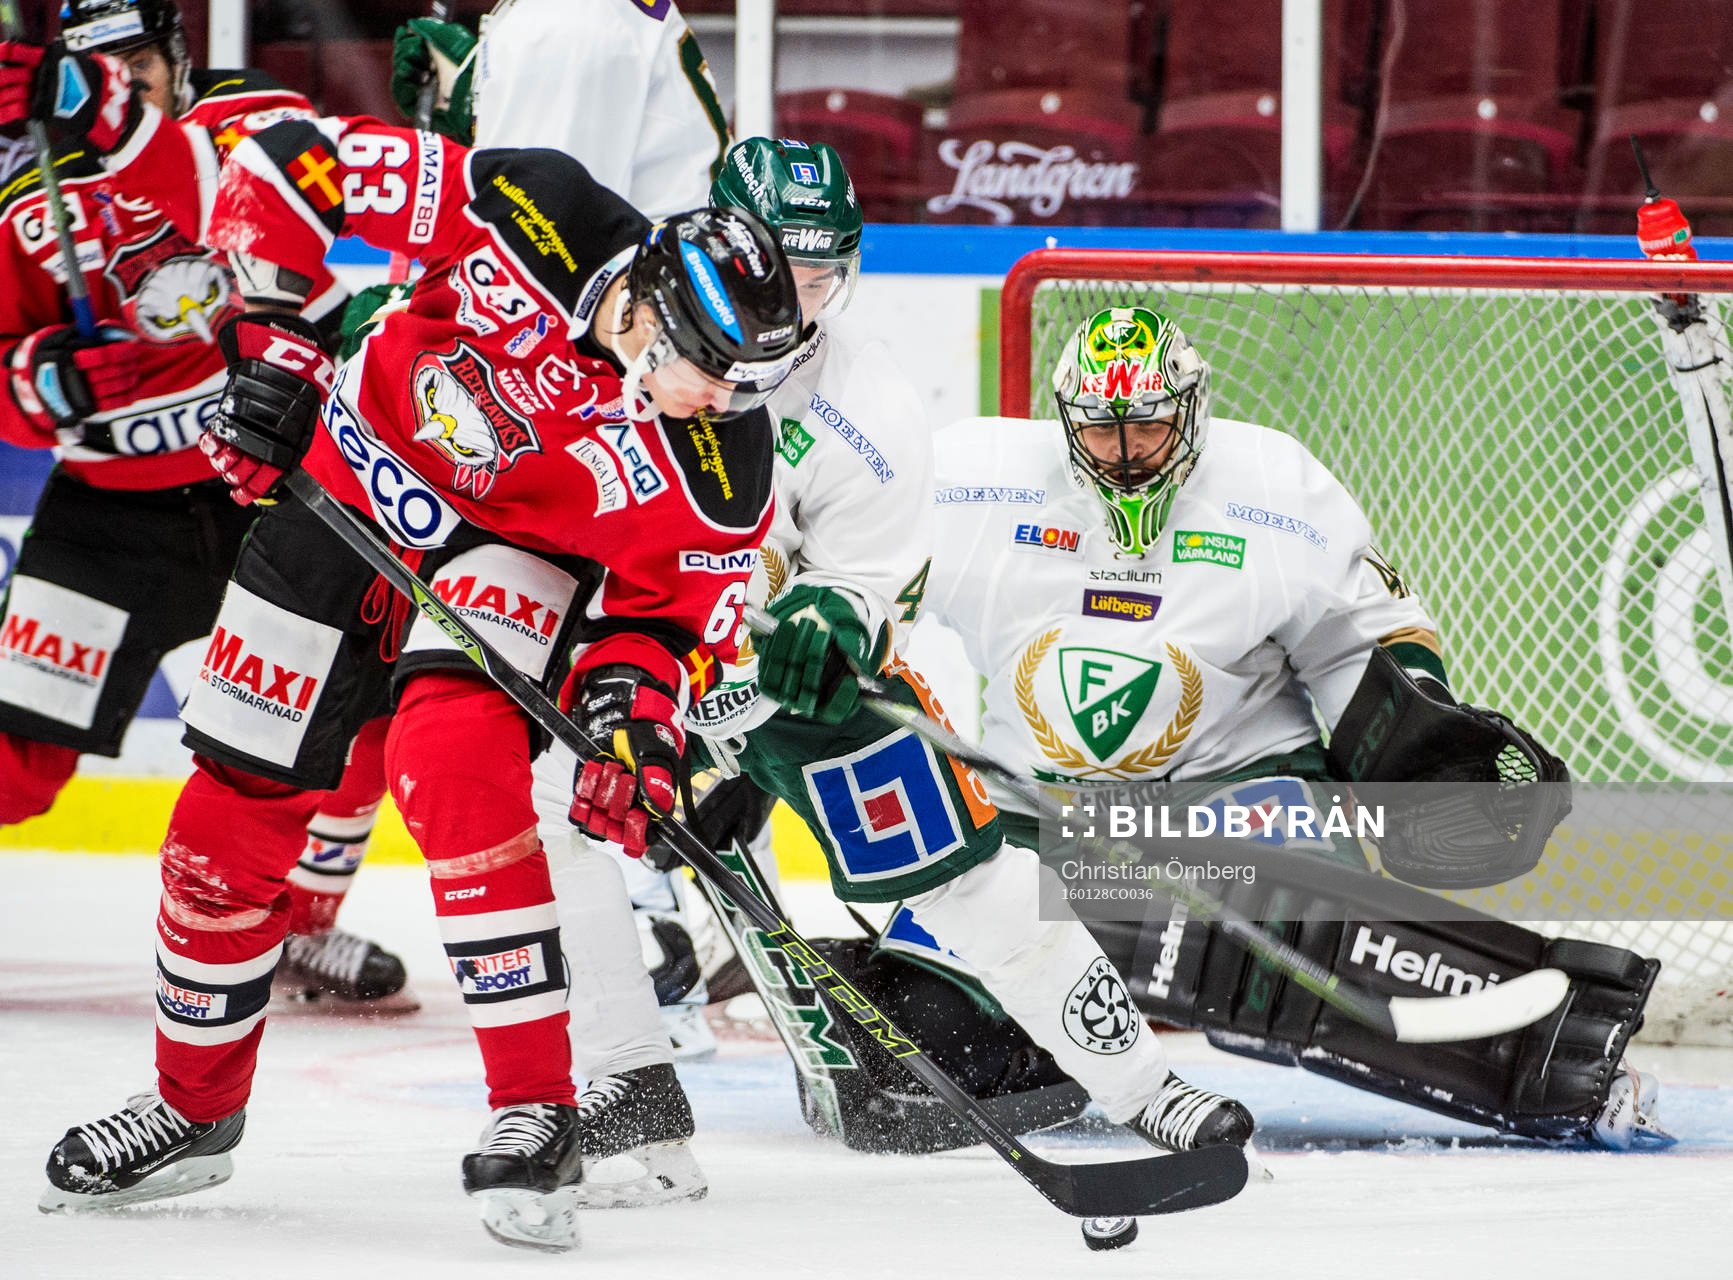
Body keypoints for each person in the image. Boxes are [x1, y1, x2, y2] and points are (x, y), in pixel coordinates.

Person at [38, 99, 801, 1252]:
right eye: (711, 371)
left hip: (508, 560)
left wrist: (636, 725)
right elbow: (293, 165)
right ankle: (193, 1109)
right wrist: (280, 344)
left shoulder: (718, 454)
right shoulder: (534, 207)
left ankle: (536, 1107)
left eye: (746, 380)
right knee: (225, 817)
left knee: (453, 765)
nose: (726, 402)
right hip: (347, 483)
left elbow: (662, 620)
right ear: (647, 304)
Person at [604, 137, 1257, 1163]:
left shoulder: (866, 406)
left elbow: (869, 578)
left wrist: (832, 620)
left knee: (969, 870)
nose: (800, 301)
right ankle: (623, 1088)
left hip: (752, 682)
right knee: (562, 824)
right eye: (784, 269)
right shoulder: (621, 314)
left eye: (823, 278)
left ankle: (1138, 1083)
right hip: (608, 649)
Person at [912, 304, 1667, 1149]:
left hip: (1236, 785)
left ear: (1190, 408)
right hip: (1041, 807)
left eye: (1149, 428)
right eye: (1101, 432)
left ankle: (1563, 1051)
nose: (1124, 454)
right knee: (938, 1023)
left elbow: (1364, 633)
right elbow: (842, 560)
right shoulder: (973, 479)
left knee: (1295, 950)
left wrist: (1412, 711)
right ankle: (1054, 1050)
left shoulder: (1275, 486)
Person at [0, 0, 409, 1005]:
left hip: (269, 493)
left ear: (177, 60)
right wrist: (42, 380)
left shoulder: (254, 124)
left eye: (138, 64)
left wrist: (107, 120)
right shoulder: (26, 197)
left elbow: (213, 191)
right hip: (111, 511)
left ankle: (302, 928)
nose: (124, 85)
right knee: (17, 757)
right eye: (101, 72)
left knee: (356, 718)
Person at [369, 0, 733, 1058]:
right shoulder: (571, 17)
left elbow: (530, 254)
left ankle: (642, 949)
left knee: (565, 689)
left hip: (617, 404)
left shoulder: (564, 20)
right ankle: (649, 936)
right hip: (646, 393)